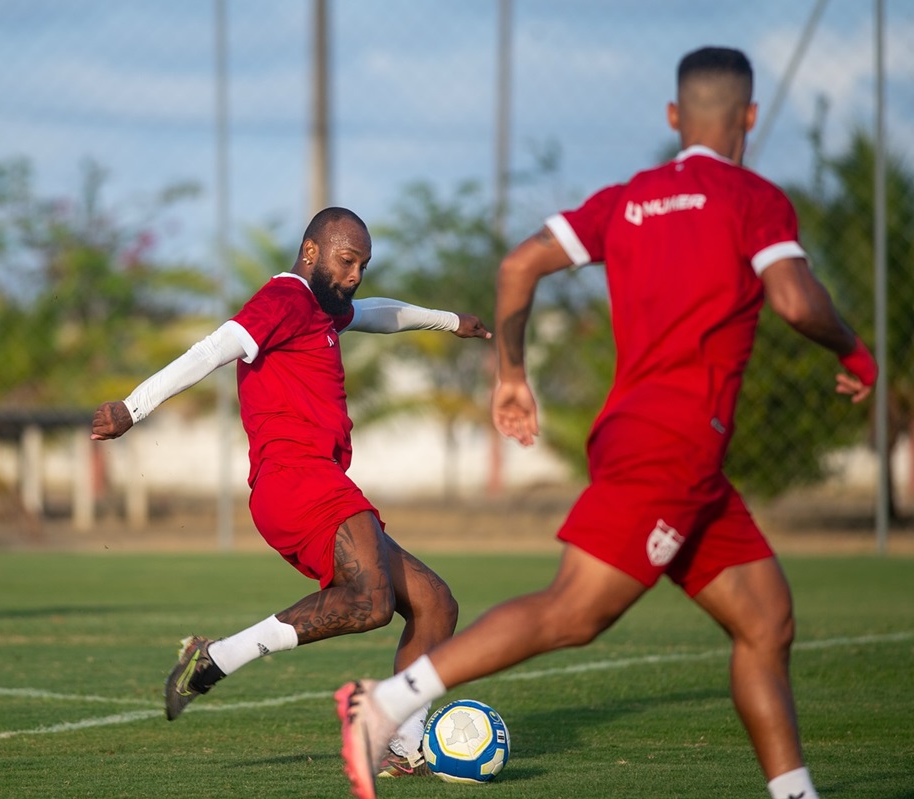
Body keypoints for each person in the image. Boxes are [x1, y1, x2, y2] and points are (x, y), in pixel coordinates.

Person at [337, 47, 878, 799]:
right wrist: (855, 348)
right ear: (748, 118)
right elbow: (794, 299)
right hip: (674, 441)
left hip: (665, 448)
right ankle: (388, 700)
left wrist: (513, 374)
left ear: (671, 118)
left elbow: (519, 265)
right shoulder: (754, 197)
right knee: (573, 611)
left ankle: (795, 793)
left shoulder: (628, 197)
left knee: (766, 622)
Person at [92, 206, 491, 776]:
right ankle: (221, 657)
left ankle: (401, 746)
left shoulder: (321, 311)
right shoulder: (285, 298)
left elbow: (375, 313)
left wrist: (448, 321)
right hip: (294, 479)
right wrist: (133, 408)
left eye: (363, 264)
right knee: (372, 602)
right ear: (311, 252)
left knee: (435, 606)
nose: (355, 275)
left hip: (320, 480)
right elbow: (212, 349)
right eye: (346, 260)